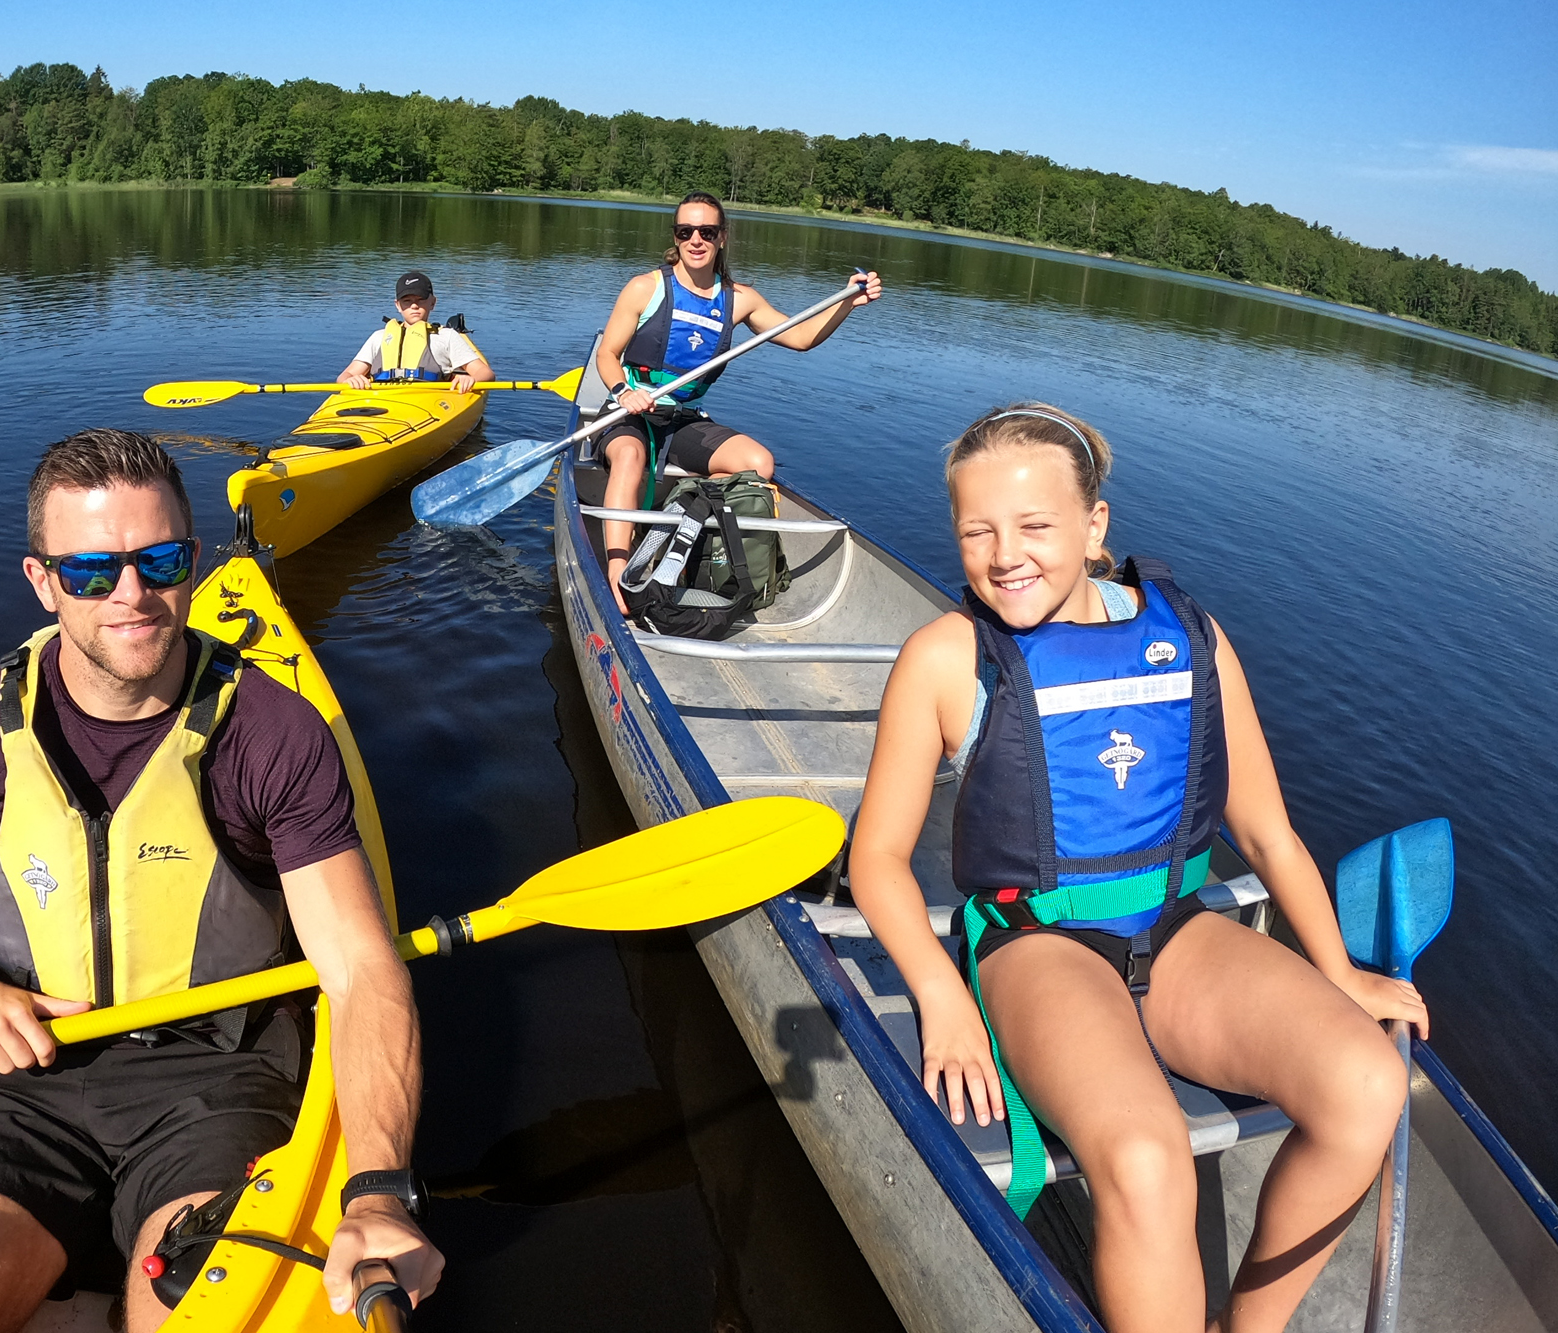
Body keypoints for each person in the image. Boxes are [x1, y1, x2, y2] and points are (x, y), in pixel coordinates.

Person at [847, 404, 1426, 1333]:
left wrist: (1338, 972)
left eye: (1035, 525)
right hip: (1038, 944)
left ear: (1095, 526)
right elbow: (875, 859)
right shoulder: (947, 659)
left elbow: (1270, 832)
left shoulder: (1190, 636)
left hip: (1179, 928)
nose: (1006, 555)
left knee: (1368, 1085)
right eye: (977, 530)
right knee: (1149, 1158)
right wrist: (941, 995)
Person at [0, 429, 442, 1332]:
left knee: (182, 1304)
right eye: (93, 571)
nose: (134, 596)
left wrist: (376, 1190)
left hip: (212, 1076)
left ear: (195, 560)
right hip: (24, 1069)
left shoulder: (274, 734)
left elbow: (363, 970)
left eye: (161, 561)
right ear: (42, 580)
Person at [591, 191, 881, 610]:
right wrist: (624, 392)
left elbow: (800, 337)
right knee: (630, 457)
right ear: (675, 236)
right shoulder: (644, 288)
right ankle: (620, 577)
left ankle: (680, 519)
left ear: (722, 237)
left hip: (683, 419)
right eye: (685, 231)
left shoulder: (740, 300)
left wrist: (847, 302)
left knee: (758, 463)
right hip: (630, 411)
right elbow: (607, 354)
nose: (696, 240)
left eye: (706, 231)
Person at [337, 269, 494, 393]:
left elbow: (485, 373)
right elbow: (345, 375)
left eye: (421, 300)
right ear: (398, 305)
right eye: (407, 301)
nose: (414, 306)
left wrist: (471, 380)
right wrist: (349, 380)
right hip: (382, 398)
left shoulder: (446, 336)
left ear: (432, 302)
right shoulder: (379, 337)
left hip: (430, 400)